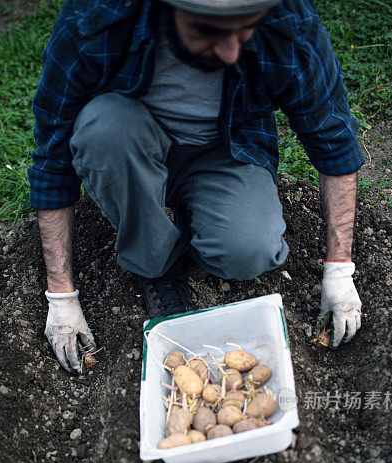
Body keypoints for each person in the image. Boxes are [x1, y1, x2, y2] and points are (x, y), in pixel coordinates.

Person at [29, 0, 364, 374]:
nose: (231, 50)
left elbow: (332, 139)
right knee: (104, 130)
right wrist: (61, 296)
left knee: (249, 250)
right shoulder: (95, 19)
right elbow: (52, 159)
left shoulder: (285, 18)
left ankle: (191, 220)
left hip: (225, 148)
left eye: (245, 27)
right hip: (129, 145)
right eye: (209, 30)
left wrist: (339, 268)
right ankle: (155, 264)